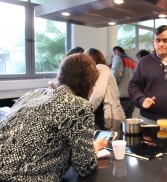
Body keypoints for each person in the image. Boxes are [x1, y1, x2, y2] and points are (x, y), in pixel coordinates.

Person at [0, 53, 108, 181]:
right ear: (88, 84)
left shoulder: (33, 93)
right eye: (93, 86)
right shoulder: (78, 105)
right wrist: (94, 147)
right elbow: (84, 167)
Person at [85, 48, 125, 131]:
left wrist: (85, 112)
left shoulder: (101, 68)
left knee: (109, 143)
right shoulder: (98, 70)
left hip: (110, 117)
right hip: (106, 116)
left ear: (92, 58)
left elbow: (99, 93)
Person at [111, 46, 136, 118]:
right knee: (128, 122)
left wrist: (112, 87)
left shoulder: (118, 57)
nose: (113, 56)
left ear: (116, 51)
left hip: (122, 96)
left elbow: (116, 74)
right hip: (132, 96)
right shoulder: (133, 60)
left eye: (113, 54)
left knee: (118, 121)